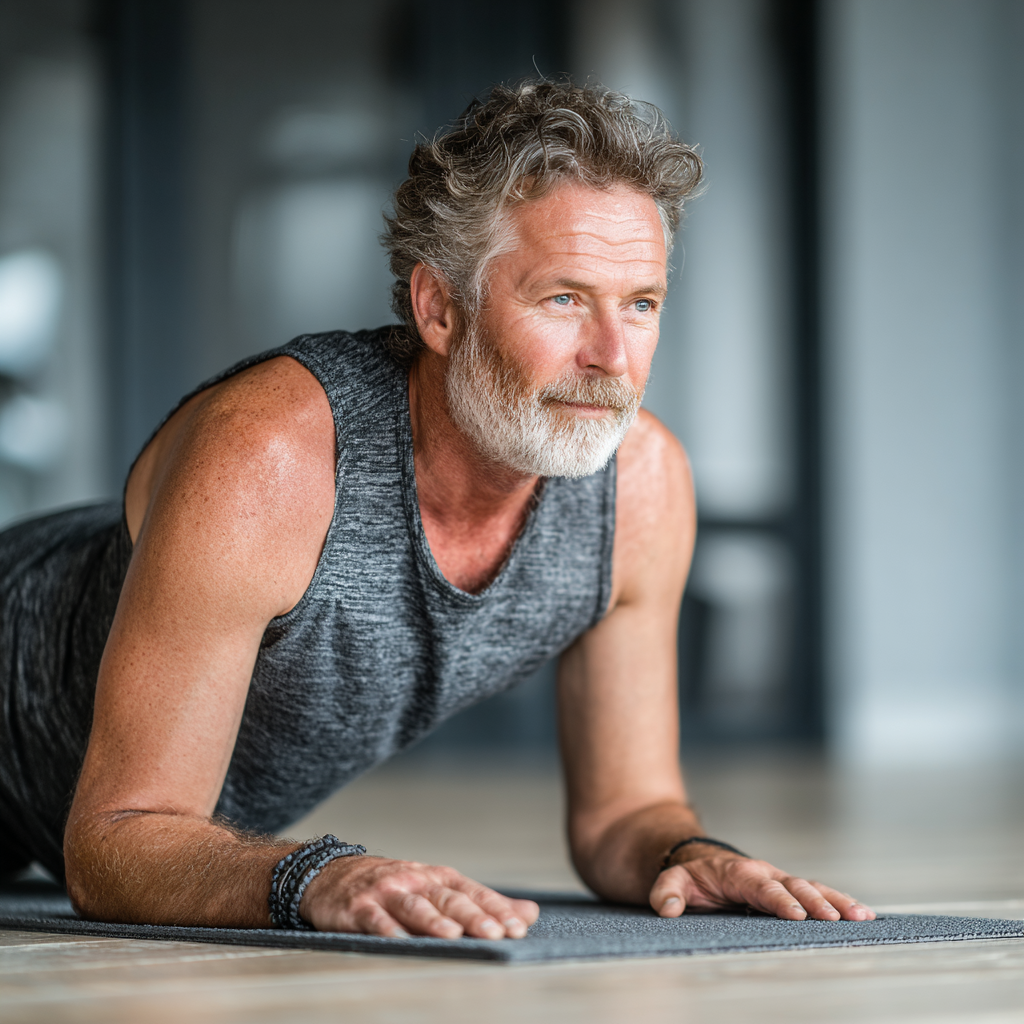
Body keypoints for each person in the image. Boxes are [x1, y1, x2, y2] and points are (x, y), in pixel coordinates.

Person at [0, 80, 873, 939]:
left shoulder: (641, 487)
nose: (613, 356)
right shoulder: (270, 457)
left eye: (640, 305)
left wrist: (687, 851)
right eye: (564, 298)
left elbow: (624, 813)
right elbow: (116, 842)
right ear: (439, 308)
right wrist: (318, 876)